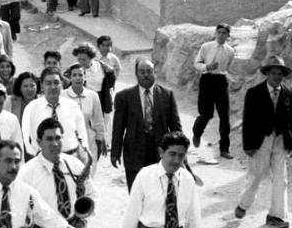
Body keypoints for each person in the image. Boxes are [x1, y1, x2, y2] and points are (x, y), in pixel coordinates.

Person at [235, 55, 292, 227]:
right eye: (274, 73)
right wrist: (248, 145)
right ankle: (244, 204)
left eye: (280, 74)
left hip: (280, 139)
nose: (277, 77)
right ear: (267, 74)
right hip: (261, 139)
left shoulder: (286, 92)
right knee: (257, 175)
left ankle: (276, 215)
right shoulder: (254, 93)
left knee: (280, 178)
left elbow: (290, 118)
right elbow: (248, 120)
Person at [111, 59, 182, 191]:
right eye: (142, 72)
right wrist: (115, 152)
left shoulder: (167, 94)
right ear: (136, 74)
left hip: (160, 153)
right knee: (136, 191)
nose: (146, 75)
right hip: (134, 153)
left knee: (160, 191)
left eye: (149, 71)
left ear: (155, 73)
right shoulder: (124, 97)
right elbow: (118, 128)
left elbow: (176, 127)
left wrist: (179, 151)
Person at [21, 68, 89, 160]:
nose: (53, 87)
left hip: (70, 159)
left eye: (56, 83)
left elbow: (82, 135)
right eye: (48, 83)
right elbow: (25, 138)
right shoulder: (31, 108)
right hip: (41, 160)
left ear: (62, 84)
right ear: (42, 85)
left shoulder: (73, 106)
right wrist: (35, 155)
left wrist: (85, 156)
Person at [191, 24, 235, 159]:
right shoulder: (206, 47)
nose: (221, 35)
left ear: (228, 36)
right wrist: (207, 67)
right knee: (206, 114)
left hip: (221, 81)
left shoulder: (230, 51)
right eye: (219, 32)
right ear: (215, 33)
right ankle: (197, 132)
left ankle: (224, 149)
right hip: (207, 80)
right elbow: (196, 63)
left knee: (224, 116)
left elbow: (228, 67)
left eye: (224, 33)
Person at [64, 62, 106, 164]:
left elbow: (98, 121)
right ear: (70, 78)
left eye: (80, 75)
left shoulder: (93, 96)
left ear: (85, 77)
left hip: (89, 139)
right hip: (68, 139)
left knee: (89, 168)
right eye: (74, 75)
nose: (78, 78)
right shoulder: (63, 95)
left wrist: (100, 139)